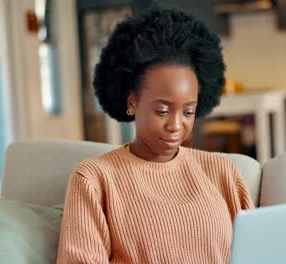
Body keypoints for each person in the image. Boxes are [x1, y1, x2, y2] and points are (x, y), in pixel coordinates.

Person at [56, 6, 254, 264]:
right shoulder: (94, 179)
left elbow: (256, 254)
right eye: (162, 110)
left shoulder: (222, 172)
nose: (175, 125)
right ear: (132, 101)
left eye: (188, 111)